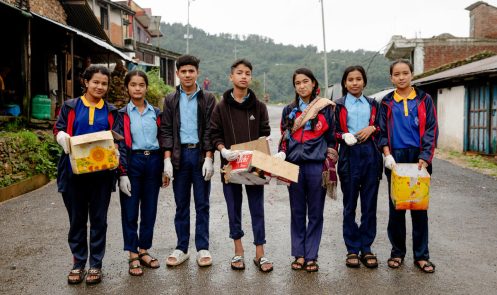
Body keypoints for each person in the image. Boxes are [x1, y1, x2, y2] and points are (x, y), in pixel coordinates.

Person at [53, 65, 118, 285]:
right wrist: (62, 136)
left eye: (104, 83)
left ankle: (96, 264)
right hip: (73, 174)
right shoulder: (70, 106)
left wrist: (117, 156)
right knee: (77, 220)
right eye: (95, 82)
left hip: (101, 176)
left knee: (99, 220)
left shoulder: (111, 111)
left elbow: (117, 138)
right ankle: (78, 263)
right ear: (86, 82)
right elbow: (58, 129)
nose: (100, 87)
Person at [210, 59, 273, 272]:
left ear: (250, 77)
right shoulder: (221, 107)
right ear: (231, 76)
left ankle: (260, 254)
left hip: (254, 165)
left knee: (257, 209)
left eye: (247, 73)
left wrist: (262, 147)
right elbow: (214, 134)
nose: (243, 76)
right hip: (230, 165)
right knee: (233, 209)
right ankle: (238, 252)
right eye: (239, 72)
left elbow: (265, 131)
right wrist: (223, 150)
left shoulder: (259, 106)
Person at [378, 59, 438, 273]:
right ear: (391, 78)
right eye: (397, 74)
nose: (401, 77)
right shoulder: (386, 102)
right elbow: (381, 131)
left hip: (418, 156)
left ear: (412, 74)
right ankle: (397, 252)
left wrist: (425, 156)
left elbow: (431, 129)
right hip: (395, 158)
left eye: (405, 73)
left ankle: (421, 256)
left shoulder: (424, 99)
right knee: (397, 208)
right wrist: (387, 154)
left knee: (419, 208)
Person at [276, 68, 336, 272]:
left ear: (313, 83)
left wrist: (329, 163)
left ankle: (311, 255)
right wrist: (282, 154)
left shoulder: (325, 108)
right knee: (297, 211)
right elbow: (285, 137)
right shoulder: (289, 110)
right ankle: (299, 254)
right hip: (293, 166)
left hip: (316, 166)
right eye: (297, 83)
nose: (301, 86)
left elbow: (332, 139)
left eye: (305, 81)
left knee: (316, 212)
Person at [159, 55, 216, 267]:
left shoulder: (208, 98)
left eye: (191, 71)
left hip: (200, 156)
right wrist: (166, 160)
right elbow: (165, 130)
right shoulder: (171, 99)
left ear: (197, 73)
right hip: (178, 156)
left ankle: (202, 248)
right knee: (181, 204)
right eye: (183, 71)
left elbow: (211, 129)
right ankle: (182, 248)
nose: (187, 75)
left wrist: (209, 158)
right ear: (178, 74)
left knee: (202, 204)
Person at [115, 70, 163, 276]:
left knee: (150, 209)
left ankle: (144, 250)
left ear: (146, 87)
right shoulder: (121, 114)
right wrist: (122, 172)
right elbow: (118, 144)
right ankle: (132, 254)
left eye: (141, 84)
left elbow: (164, 139)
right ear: (127, 87)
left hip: (153, 160)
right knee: (130, 210)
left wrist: (164, 167)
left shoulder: (157, 113)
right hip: (132, 160)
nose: (137, 88)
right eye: (133, 84)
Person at [334, 66, 382, 268]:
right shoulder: (338, 105)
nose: (354, 82)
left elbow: (383, 128)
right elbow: (332, 131)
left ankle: (367, 248)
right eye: (350, 79)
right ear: (345, 83)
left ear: (364, 82)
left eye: (358, 79)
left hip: (371, 156)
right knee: (350, 205)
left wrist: (374, 128)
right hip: (348, 156)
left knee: (370, 205)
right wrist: (342, 136)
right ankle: (352, 249)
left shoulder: (373, 104)